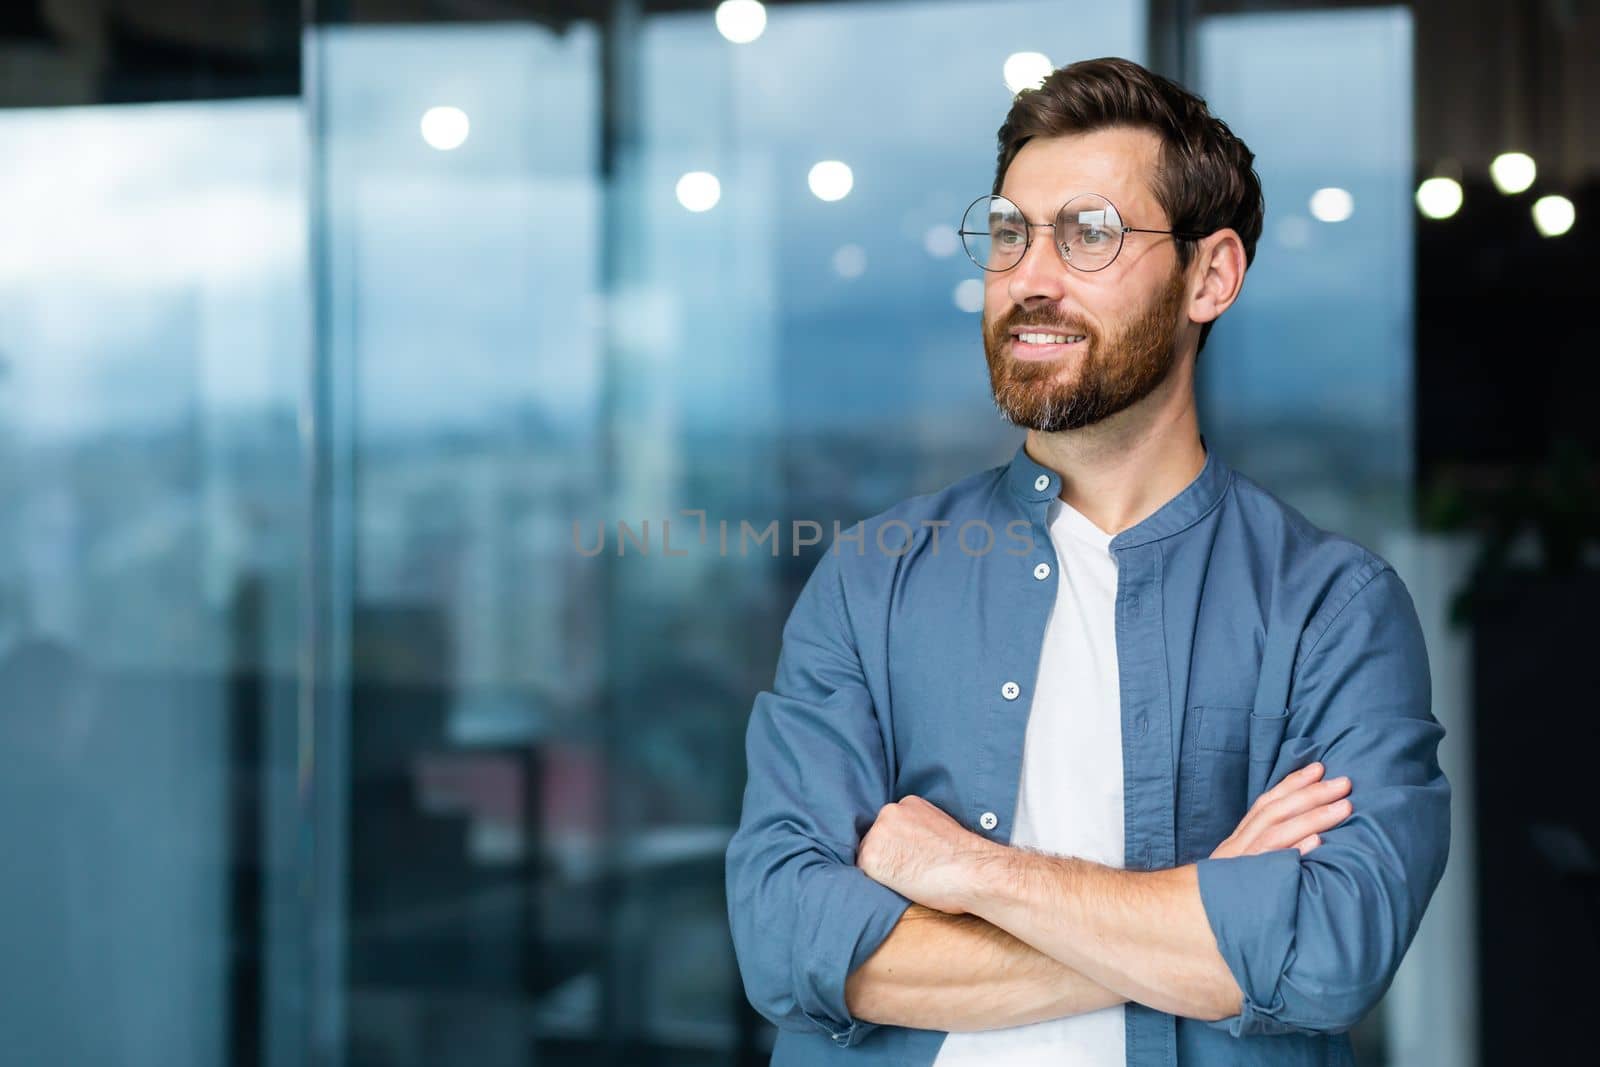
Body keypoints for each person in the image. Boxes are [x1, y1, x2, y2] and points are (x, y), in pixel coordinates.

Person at [724, 55, 1449, 1067]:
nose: (1029, 277)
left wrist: (971, 872)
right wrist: (1203, 914)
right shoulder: (869, 577)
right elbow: (785, 939)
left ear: (1210, 275)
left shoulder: (1332, 608)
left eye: (1089, 234)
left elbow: (1326, 952)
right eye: (1010, 232)